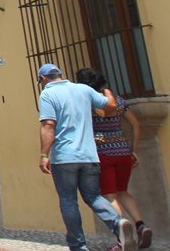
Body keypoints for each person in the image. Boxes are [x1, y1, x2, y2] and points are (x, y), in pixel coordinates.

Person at [37, 63, 134, 251]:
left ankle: (78, 246)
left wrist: (43, 154)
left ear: (43, 79)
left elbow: (48, 125)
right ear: (60, 75)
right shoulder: (83, 89)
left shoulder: (47, 94)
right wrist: (106, 89)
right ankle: (118, 223)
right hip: (90, 156)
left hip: (65, 158)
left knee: (68, 200)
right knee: (94, 197)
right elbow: (112, 106)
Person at [77, 69, 152, 249]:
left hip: (103, 153)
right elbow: (136, 125)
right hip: (123, 152)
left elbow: (102, 114)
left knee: (110, 195)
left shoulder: (90, 100)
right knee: (123, 192)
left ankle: (122, 235)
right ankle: (141, 225)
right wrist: (133, 150)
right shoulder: (118, 100)